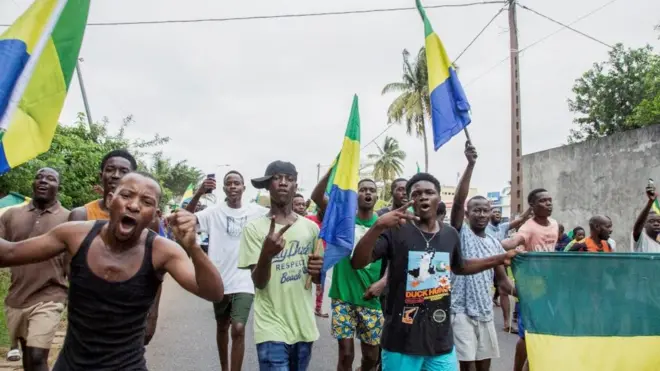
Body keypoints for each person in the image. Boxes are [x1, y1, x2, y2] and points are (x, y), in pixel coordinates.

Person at [0, 172, 224, 370]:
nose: (134, 205)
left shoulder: (161, 251)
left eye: (146, 202)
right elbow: (9, 254)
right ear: (110, 200)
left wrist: (193, 247)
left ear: (154, 214)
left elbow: (213, 293)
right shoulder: (75, 235)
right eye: (126, 195)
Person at [350, 173, 518, 371]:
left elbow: (460, 267)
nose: (423, 196)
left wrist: (499, 259)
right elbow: (358, 262)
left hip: (440, 340)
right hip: (401, 341)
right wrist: (378, 226)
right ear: (411, 200)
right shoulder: (395, 230)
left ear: (438, 198)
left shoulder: (449, 234)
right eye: (417, 193)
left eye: (429, 192)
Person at [238, 161, 323, 371]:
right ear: (268, 185)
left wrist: (319, 271)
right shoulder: (254, 229)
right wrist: (266, 254)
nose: (284, 183)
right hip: (270, 325)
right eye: (277, 178)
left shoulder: (311, 229)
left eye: (290, 178)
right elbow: (258, 282)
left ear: (296, 186)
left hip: (303, 325)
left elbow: (317, 279)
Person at [185, 170, 268, 371]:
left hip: (245, 280)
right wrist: (199, 193)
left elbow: (281, 214)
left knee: (238, 328)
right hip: (219, 280)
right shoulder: (213, 212)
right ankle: (224, 367)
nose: (233, 186)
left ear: (243, 188)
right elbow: (185, 219)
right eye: (229, 183)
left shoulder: (256, 211)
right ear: (223, 188)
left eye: (236, 183)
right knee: (222, 327)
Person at [450, 144, 515, 371]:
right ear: (467, 214)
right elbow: (458, 201)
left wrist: (527, 296)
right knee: (467, 367)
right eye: (475, 210)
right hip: (461, 312)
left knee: (483, 368)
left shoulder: (494, 242)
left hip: (486, 312)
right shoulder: (461, 232)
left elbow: (503, 280)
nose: (481, 214)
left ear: (490, 213)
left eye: (485, 210)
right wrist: (471, 165)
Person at [311, 175, 384, 371]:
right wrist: (335, 166)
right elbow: (317, 196)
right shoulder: (343, 218)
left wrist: (383, 282)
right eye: (362, 189)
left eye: (371, 190)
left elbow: (396, 259)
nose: (367, 192)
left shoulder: (384, 224)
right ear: (356, 195)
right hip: (343, 296)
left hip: (370, 298)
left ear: (377, 196)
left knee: (371, 357)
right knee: (346, 354)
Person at [0, 168, 70, 371]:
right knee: (29, 359)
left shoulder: (68, 218)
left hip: (51, 297)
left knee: (38, 356)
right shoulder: (11, 215)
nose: (43, 181)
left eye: (51, 179)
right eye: (39, 177)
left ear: (58, 187)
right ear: (33, 183)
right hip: (17, 298)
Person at [500, 188, 559, 371]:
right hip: (531, 287)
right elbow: (510, 242)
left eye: (550, 200)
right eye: (543, 201)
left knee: (545, 332)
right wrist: (502, 245)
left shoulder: (555, 224)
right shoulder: (528, 227)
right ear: (532, 206)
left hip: (550, 286)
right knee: (527, 335)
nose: (548, 203)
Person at [485, 202, 530, 328]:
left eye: (499, 212)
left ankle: (506, 323)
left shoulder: (504, 227)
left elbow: (521, 219)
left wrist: (530, 207)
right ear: (489, 215)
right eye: (495, 212)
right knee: (484, 287)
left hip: (501, 262)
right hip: (486, 262)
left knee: (504, 290)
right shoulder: (484, 226)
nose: (497, 214)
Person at [304, 207, 328, 318]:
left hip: (322, 259)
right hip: (306, 257)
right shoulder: (308, 219)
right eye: (324, 209)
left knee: (320, 284)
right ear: (319, 209)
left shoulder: (329, 224)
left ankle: (318, 308)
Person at [631, 182, 660, 252]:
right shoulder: (641, 239)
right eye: (651, 221)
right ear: (644, 224)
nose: (656, 224)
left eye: (659, 221)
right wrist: (650, 202)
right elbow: (638, 225)